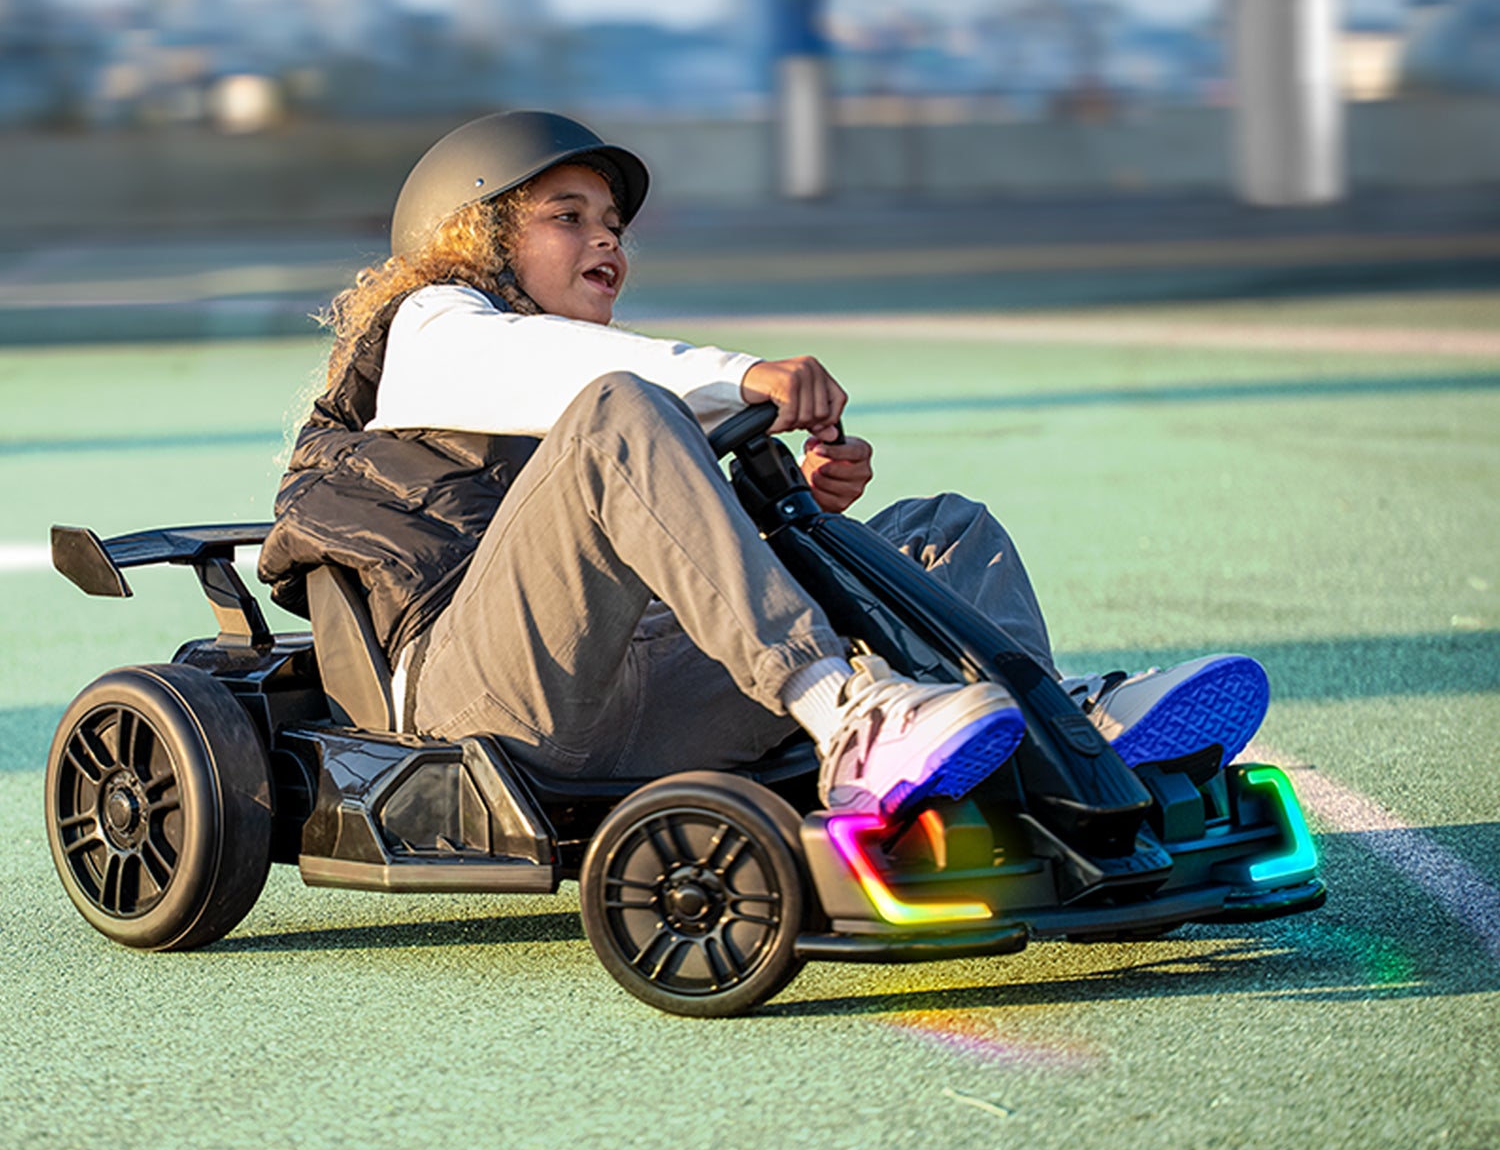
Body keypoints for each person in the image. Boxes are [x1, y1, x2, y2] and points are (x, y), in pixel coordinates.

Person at [259, 111, 1269, 820]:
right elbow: (560, 378)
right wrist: (743, 377)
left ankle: (1050, 714)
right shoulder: (432, 326)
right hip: (481, 707)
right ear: (470, 235)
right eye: (567, 217)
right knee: (622, 406)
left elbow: (680, 535)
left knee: (936, 533)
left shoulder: (604, 391)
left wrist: (807, 518)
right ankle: (846, 718)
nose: (606, 242)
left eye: (613, 226)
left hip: (653, 692)